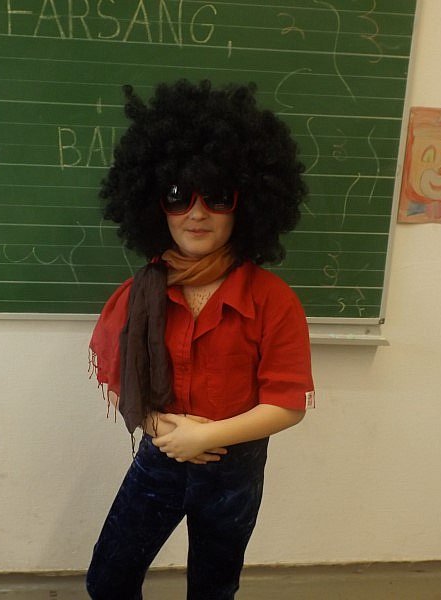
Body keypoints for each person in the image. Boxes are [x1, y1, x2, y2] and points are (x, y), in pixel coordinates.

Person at [86, 79, 314, 600]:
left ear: (246, 204)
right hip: (160, 455)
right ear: (154, 204)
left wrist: (206, 437)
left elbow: (287, 403)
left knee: (213, 590)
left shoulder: (272, 300)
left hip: (234, 472)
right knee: (108, 581)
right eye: (177, 196)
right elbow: (121, 380)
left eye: (217, 197)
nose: (196, 212)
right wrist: (160, 427)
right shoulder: (139, 294)